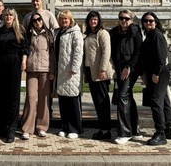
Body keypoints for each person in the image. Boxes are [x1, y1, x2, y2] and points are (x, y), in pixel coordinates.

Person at [139, 11, 171, 146]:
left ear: (156, 22)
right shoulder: (150, 35)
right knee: (164, 100)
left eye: (151, 21)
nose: (148, 23)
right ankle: (169, 129)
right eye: (146, 21)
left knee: (155, 101)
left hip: (158, 72)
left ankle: (160, 133)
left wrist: (156, 73)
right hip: (154, 72)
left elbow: (161, 55)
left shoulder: (157, 35)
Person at [0, 8, 29, 143]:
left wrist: (24, 61)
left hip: (14, 62)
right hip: (1, 63)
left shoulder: (20, 30)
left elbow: (25, 47)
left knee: (13, 97)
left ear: (14, 17)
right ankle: (2, 126)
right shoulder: (0, 31)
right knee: (1, 96)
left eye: (10, 15)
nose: (8, 17)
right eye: (6, 15)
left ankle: (11, 129)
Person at [110, 9, 143, 145]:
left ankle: (125, 132)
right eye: (121, 18)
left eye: (126, 18)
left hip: (131, 69)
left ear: (132, 20)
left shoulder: (135, 32)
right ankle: (135, 130)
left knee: (122, 95)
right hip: (119, 69)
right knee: (128, 96)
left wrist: (129, 66)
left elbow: (138, 51)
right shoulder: (115, 32)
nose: (124, 21)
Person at [20, 12, 55, 139]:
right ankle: (27, 128)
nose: (37, 22)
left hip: (45, 69)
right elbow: (25, 49)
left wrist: (52, 71)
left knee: (44, 99)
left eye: (39, 19)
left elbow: (52, 54)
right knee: (30, 98)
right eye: (34, 20)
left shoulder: (49, 35)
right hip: (32, 69)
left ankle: (41, 127)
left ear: (42, 21)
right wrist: (24, 62)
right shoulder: (28, 35)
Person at [83, 10, 113, 140]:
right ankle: (102, 126)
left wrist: (102, 69)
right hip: (91, 71)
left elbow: (106, 52)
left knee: (102, 101)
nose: (93, 21)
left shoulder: (103, 33)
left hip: (100, 72)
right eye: (91, 19)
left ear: (99, 20)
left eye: (95, 19)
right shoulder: (89, 34)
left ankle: (106, 130)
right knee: (97, 101)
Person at [55, 10, 84, 139]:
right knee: (63, 100)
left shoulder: (75, 33)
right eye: (62, 19)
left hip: (71, 72)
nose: (64, 21)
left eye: (66, 19)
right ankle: (65, 126)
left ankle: (75, 128)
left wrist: (74, 67)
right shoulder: (58, 32)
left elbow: (78, 52)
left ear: (70, 20)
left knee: (73, 100)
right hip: (61, 70)